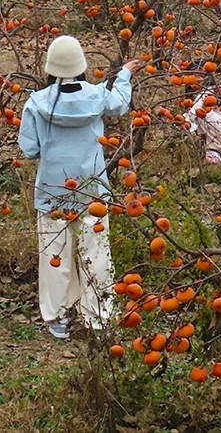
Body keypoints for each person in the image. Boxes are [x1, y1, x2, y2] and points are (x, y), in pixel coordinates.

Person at [18, 35, 141, 339]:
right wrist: (124, 74)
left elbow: (29, 149)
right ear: (82, 66)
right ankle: (97, 318)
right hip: (92, 192)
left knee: (54, 254)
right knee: (96, 254)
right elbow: (120, 104)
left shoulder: (36, 102)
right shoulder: (97, 96)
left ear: (50, 67)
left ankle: (57, 317)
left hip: (52, 191)